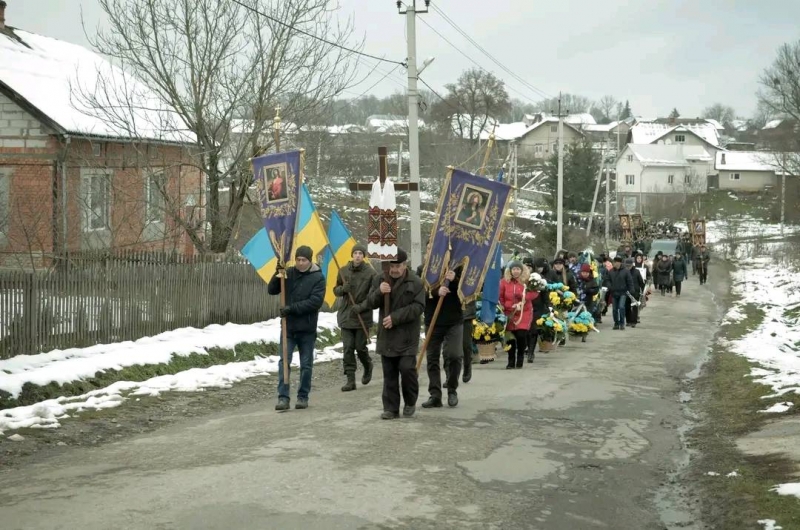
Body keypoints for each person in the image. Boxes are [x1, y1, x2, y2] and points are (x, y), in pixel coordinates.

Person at [356, 248, 424, 420]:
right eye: (391, 266)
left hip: (407, 334)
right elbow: (370, 302)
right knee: (390, 373)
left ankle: (410, 401)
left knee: (407, 369)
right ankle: (391, 408)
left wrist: (395, 317)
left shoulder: (415, 282)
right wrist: (380, 291)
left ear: (404, 265)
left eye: (398, 266)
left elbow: (418, 307)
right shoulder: (380, 279)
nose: (394, 270)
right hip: (387, 335)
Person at [268, 245, 326, 411]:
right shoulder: (289, 273)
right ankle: (283, 397)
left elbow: (314, 302)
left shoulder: (318, 278)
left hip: (307, 329)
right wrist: (277, 272)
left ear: (310, 260)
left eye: (303, 260)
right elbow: (272, 290)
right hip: (288, 328)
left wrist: (291, 308)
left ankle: (302, 396)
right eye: (298, 259)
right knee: (284, 362)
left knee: (306, 364)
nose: (300, 263)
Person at [333, 244, 379, 392]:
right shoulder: (343, 270)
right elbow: (336, 290)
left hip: (362, 316)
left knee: (360, 347)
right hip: (346, 315)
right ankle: (350, 380)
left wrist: (362, 306)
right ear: (352, 255)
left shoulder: (371, 273)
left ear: (364, 256)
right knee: (347, 348)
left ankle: (367, 365)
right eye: (355, 253)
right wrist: (342, 289)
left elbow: (373, 295)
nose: (357, 255)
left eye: (360, 253)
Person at [421, 267, 464, 408]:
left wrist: (455, 281)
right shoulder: (424, 270)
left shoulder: (459, 269)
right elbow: (418, 293)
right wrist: (435, 292)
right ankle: (435, 395)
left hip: (454, 320)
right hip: (433, 320)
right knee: (432, 358)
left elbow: (471, 290)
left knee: (455, 355)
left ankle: (452, 389)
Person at [499, 260, 539, 368]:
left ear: (521, 270)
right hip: (509, 312)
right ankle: (511, 360)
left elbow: (535, 292)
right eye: (514, 269)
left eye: (518, 269)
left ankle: (520, 356)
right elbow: (500, 296)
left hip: (523, 312)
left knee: (521, 335)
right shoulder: (504, 282)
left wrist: (524, 298)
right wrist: (503, 306)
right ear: (510, 270)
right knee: (510, 337)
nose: (516, 271)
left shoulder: (527, 281)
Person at [603, 256, 634, 331]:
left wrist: (631, 290)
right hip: (614, 293)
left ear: (619, 262)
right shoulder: (611, 271)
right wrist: (610, 287)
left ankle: (622, 323)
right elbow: (607, 280)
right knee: (614, 309)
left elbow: (630, 281)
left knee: (621, 307)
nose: (615, 264)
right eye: (614, 262)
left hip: (623, 292)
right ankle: (616, 323)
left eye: (616, 262)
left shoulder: (626, 271)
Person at [624, 258, 645, 328]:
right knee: (627, 307)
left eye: (629, 266)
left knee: (634, 307)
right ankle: (628, 321)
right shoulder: (624, 272)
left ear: (632, 265)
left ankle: (634, 321)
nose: (628, 267)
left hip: (635, 292)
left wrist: (642, 291)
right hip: (626, 292)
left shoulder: (637, 272)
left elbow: (641, 282)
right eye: (626, 266)